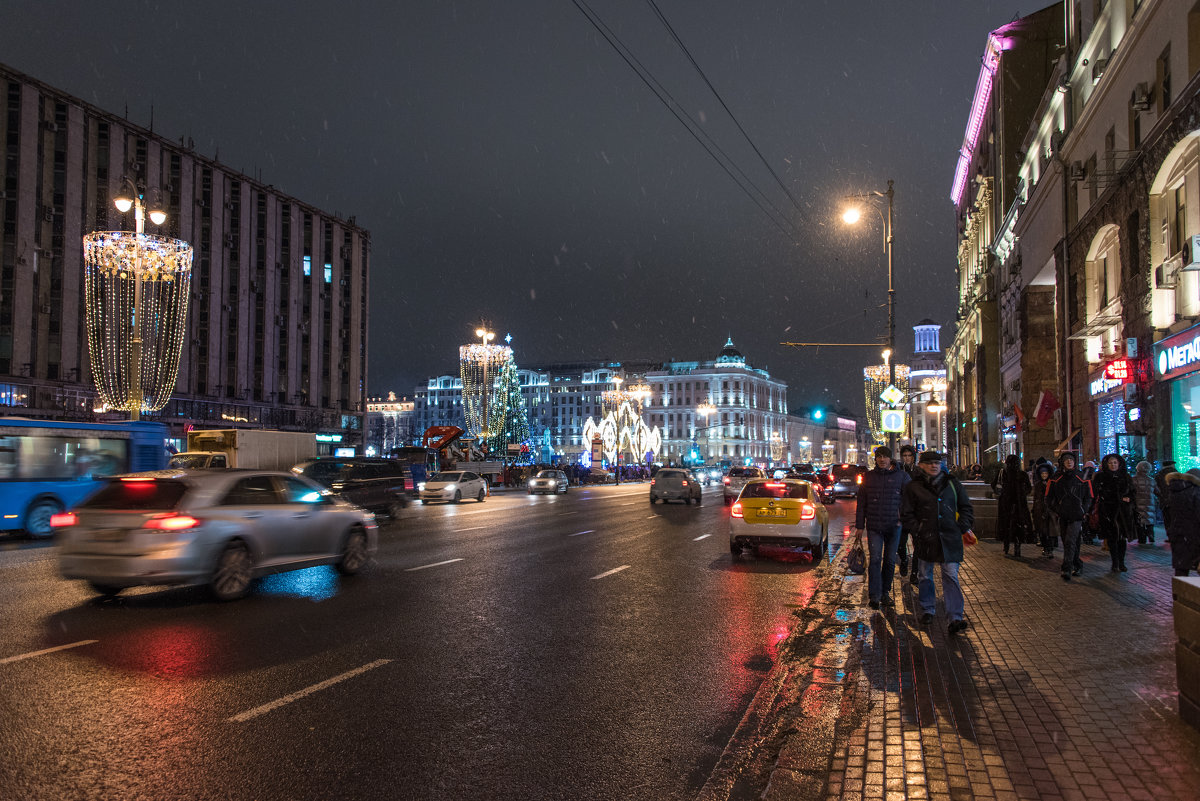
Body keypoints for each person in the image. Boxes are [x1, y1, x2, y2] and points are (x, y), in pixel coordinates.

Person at [900, 450, 975, 635]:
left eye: (937, 462)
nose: (934, 465)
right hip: (926, 538)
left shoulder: (952, 483)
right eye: (930, 463)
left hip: (949, 538)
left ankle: (955, 616)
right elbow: (906, 513)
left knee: (950, 575)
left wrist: (962, 525)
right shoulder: (913, 486)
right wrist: (917, 529)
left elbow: (965, 507)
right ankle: (928, 609)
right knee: (925, 575)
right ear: (921, 465)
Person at [854, 446, 911, 610]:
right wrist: (859, 526)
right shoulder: (868, 477)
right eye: (878, 456)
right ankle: (874, 596)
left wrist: (904, 519)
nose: (881, 459)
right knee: (875, 560)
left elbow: (909, 500)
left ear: (890, 459)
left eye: (885, 456)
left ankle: (885, 593)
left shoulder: (902, 477)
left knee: (890, 561)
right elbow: (862, 503)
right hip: (874, 526)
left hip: (894, 526)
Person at [1046, 452, 1094, 581]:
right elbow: (1049, 498)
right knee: (1072, 541)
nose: (1069, 462)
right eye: (1066, 460)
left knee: (1070, 540)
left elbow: (1089, 496)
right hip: (1063, 514)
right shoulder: (1055, 478)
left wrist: (1083, 509)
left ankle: (1066, 567)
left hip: (1077, 514)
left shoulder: (1081, 477)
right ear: (1062, 462)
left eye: (1071, 460)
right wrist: (1058, 509)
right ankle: (1077, 564)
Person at [1093, 454, 1136, 572]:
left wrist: (1129, 498)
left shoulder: (1125, 477)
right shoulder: (1101, 477)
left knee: (1122, 538)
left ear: (1119, 464)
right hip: (1108, 512)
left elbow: (1133, 492)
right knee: (1112, 538)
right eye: (1111, 463)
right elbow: (1097, 494)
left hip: (1123, 512)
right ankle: (1115, 563)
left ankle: (1121, 562)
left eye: (1115, 463)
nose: (1113, 465)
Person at [995, 454, 1033, 557]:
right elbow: (1029, 488)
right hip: (1016, 505)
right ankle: (1013, 544)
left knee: (1009, 525)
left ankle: (1011, 544)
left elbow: (994, 486)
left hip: (1011, 504)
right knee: (1015, 525)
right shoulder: (1016, 474)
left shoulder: (1005, 474)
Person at [1165, 468, 1200, 577]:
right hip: (1195, 535)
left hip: (1178, 535)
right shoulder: (1196, 491)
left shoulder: (1175, 490)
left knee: (1181, 568)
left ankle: (1178, 593)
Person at [896, 444, 919, 574]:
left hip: (915, 513)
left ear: (913, 457)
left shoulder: (918, 471)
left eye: (909, 455)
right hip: (902, 512)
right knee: (900, 543)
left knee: (918, 544)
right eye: (904, 456)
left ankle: (915, 572)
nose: (907, 458)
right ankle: (904, 560)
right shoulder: (899, 471)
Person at [1031, 462, 1056, 557]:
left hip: (1050, 511)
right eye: (1042, 474)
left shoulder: (1052, 484)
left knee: (1050, 531)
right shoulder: (1038, 485)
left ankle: (1050, 549)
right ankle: (1046, 547)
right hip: (1040, 510)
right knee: (1042, 531)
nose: (1044, 475)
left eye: (1046, 474)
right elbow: (1036, 497)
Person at [1131, 460, 1157, 545]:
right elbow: (1157, 491)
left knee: (1140, 521)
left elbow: (1131, 492)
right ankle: (1150, 534)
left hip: (1138, 503)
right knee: (1149, 519)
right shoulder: (1152, 480)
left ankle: (1142, 538)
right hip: (1150, 502)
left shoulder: (1133, 480)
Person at [1156, 458, 1177, 530]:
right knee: (1175, 517)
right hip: (1175, 499)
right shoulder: (1176, 474)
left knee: (1166, 518)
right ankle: (1175, 534)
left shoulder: (1159, 474)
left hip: (1163, 500)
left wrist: (1160, 496)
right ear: (1171, 465)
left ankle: (1169, 533)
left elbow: (1156, 488)